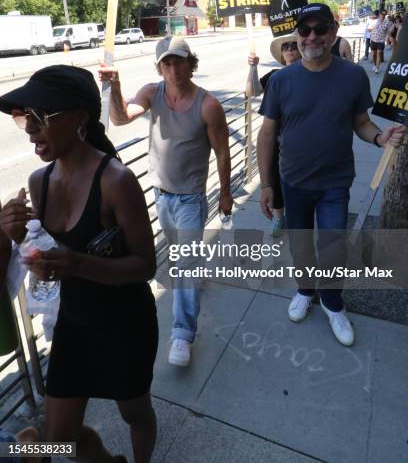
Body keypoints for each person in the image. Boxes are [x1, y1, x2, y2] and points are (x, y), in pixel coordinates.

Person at [0, 65, 158, 463]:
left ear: (80, 118)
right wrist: (14, 234)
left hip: (125, 323)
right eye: (25, 118)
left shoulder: (116, 181)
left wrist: (77, 265)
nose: (31, 128)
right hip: (75, 320)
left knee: (134, 413)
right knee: (58, 440)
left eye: (41, 117)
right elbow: (41, 251)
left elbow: (145, 265)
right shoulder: (39, 181)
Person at [257, 3, 404, 347]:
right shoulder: (281, 80)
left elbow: (361, 123)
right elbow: (266, 135)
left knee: (334, 245)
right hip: (293, 181)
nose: (311, 37)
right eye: (304, 31)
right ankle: (306, 291)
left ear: (333, 32)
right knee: (301, 244)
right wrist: (266, 184)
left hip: (335, 182)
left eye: (319, 29)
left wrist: (381, 138)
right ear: (297, 35)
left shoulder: (352, 75)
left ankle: (333, 303)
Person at [99, 36, 233, 367]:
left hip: (190, 198)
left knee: (184, 264)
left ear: (191, 62)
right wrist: (114, 86)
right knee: (179, 255)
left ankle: (182, 335)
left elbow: (222, 151)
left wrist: (227, 192)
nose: (172, 68)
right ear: (159, 67)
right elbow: (119, 118)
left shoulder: (208, 105)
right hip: (160, 194)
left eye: (178, 60)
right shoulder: (151, 92)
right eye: (166, 63)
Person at [246, 33, 301, 236]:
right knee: (274, 179)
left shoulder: (311, 75)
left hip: (299, 140)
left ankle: (297, 217)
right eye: (285, 46)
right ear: (281, 53)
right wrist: (253, 66)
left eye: (293, 45)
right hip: (275, 139)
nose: (289, 49)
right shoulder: (274, 75)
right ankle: (279, 219)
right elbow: (251, 91)